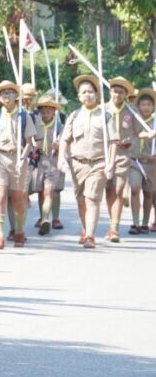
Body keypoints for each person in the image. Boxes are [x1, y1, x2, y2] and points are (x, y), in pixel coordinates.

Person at [59, 74, 116, 249]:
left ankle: (90, 236)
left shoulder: (106, 116)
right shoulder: (74, 115)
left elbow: (113, 142)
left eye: (90, 92)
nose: (87, 95)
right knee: (81, 200)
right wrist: (61, 158)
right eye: (84, 92)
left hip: (98, 163)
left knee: (92, 199)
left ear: (97, 94)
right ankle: (85, 229)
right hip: (77, 164)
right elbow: (65, 140)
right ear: (79, 96)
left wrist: (110, 163)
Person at [0, 80, 39, 249]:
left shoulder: (24, 116)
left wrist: (22, 158)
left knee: (18, 197)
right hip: (0, 157)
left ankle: (19, 231)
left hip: (18, 159)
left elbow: (29, 142)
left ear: (16, 96)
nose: (6, 95)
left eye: (10, 92)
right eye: (3, 93)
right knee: (1, 195)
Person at [104, 77, 141, 242]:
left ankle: (114, 228)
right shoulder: (102, 110)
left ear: (126, 94)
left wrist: (149, 134)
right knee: (108, 190)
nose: (117, 94)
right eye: (115, 91)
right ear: (110, 91)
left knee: (118, 190)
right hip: (105, 154)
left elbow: (139, 131)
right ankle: (111, 220)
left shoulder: (131, 111)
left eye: (121, 92)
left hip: (123, 154)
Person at [32, 93, 65, 235]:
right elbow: (29, 140)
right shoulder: (35, 124)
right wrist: (34, 145)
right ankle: (43, 217)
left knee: (51, 191)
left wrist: (60, 145)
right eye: (43, 112)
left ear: (54, 111)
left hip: (53, 161)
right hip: (39, 161)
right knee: (41, 191)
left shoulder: (59, 125)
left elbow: (66, 141)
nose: (46, 114)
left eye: (48, 111)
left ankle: (52, 218)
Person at [129, 89, 156, 233]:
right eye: (143, 104)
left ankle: (145, 224)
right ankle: (135, 223)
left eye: (149, 105)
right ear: (138, 106)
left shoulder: (155, 121)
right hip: (135, 161)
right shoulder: (133, 119)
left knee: (149, 193)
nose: (146, 107)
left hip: (151, 163)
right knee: (134, 188)